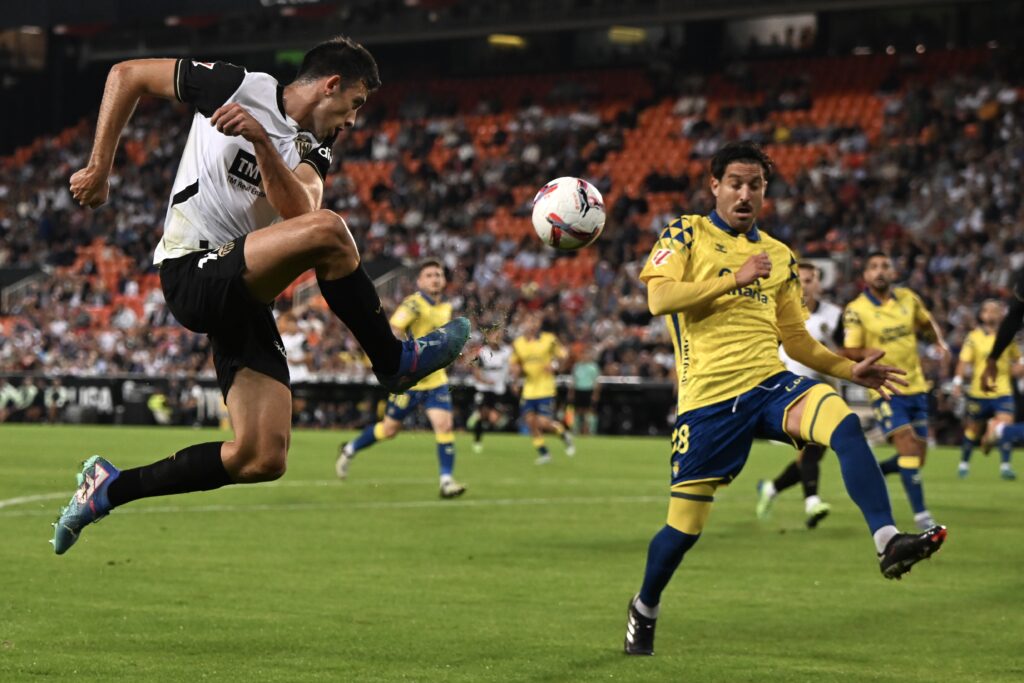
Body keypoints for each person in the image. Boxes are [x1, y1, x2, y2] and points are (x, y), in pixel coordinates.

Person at [53, 37, 471, 554]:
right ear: (331, 85)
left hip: (243, 295)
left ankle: (109, 487)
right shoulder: (237, 84)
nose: (355, 120)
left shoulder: (314, 147)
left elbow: (301, 211)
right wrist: (99, 168)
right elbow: (126, 73)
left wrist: (261, 143)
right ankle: (394, 361)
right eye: (356, 103)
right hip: (193, 272)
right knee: (333, 233)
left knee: (261, 455)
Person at [623, 141, 946, 657]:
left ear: (765, 191)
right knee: (683, 530)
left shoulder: (779, 255)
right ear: (715, 186)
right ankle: (645, 605)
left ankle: (887, 541)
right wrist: (733, 278)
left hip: (770, 385)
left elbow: (795, 340)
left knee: (842, 423)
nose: (745, 193)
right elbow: (658, 298)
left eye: (755, 184)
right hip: (707, 401)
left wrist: (847, 370)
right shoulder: (687, 231)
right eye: (735, 183)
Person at [335, 259, 467, 498]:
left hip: (436, 380)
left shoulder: (446, 307)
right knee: (389, 430)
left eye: (438, 274)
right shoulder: (413, 304)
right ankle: (350, 449)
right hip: (411, 381)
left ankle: (446, 481)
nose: (435, 278)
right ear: (419, 280)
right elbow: (394, 329)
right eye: (429, 275)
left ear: (444, 280)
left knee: (444, 425)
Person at [843, 252, 949, 531]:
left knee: (917, 457)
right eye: (874, 267)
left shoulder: (908, 299)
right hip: (885, 389)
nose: (880, 271)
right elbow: (849, 350)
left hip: (916, 385)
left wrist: (938, 343)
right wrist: (866, 352)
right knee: (908, 446)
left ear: (893, 272)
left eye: (885, 266)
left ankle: (878, 471)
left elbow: (927, 324)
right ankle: (922, 516)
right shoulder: (856, 309)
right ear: (865, 275)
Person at [756, 262, 842, 528]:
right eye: (801, 280)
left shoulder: (833, 317)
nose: (805, 285)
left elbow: (840, 353)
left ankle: (771, 489)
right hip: (792, 393)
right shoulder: (780, 313)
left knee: (811, 454)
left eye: (810, 280)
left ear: (818, 283)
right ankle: (812, 501)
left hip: (825, 390)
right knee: (813, 448)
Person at [956, 300, 1021, 478]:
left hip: (1003, 390)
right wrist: (957, 381)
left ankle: (1005, 466)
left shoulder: (1008, 336)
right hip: (979, 391)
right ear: (982, 314)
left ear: (1001, 314)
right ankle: (964, 464)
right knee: (973, 430)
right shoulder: (973, 337)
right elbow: (963, 361)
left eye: (996, 310)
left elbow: (1019, 358)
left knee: (1005, 425)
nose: (992, 314)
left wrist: (1020, 367)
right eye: (988, 311)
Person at [510, 313, 575, 464]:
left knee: (542, 423)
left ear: (538, 324)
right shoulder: (518, 343)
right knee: (531, 422)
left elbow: (564, 355)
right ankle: (544, 454)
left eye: (534, 321)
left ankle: (563, 433)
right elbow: (515, 363)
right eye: (528, 321)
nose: (531, 325)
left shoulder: (548, 339)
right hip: (529, 389)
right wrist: (514, 377)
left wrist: (555, 365)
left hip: (545, 388)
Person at [466, 328, 514, 453]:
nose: (496, 337)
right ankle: (477, 441)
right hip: (484, 388)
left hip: (499, 389)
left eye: (498, 335)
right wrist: (485, 381)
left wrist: (514, 376)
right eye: (493, 335)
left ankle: (476, 415)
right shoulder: (482, 353)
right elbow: (475, 371)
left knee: (495, 419)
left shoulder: (507, 351)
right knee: (483, 415)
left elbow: (514, 366)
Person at [567, 348, 601, 435]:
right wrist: (571, 392)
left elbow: (596, 382)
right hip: (579, 390)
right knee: (577, 411)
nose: (584, 357)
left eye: (586, 355)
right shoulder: (577, 366)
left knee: (589, 411)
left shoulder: (593, 367)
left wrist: (595, 394)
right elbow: (573, 380)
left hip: (588, 390)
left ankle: (590, 430)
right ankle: (576, 430)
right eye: (583, 355)